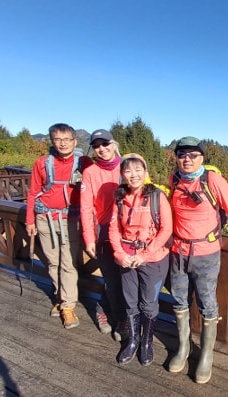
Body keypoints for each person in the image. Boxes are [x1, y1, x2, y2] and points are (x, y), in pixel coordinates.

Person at [167, 136, 228, 384]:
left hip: (207, 253)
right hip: (178, 250)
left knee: (207, 303)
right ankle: (184, 348)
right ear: (176, 157)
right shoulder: (174, 178)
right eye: (182, 154)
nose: (187, 159)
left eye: (192, 155)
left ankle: (206, 355)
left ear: (202, 157)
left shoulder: (212, 180)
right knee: (179, 300)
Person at [108, 153, 172, 366]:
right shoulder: (119, 197)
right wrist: (119, 254)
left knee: (148, 303)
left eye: (138, 170)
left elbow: (166, 229)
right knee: (130, 301)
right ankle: (133, 341)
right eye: (128, 170)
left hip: (153, 258)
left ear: (146, 173)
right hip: (126, 257)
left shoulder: (156, 196)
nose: (133, 175)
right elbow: (114, 228)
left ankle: (147, 343)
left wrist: (143, 255)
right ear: (122, 174)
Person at [26, 123, 90, 329]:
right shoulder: (42, 163)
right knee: (52, 263)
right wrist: (29, 220)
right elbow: (33, 192)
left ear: (74, 141)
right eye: (58, 139)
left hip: (70, 220)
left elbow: (102, 177)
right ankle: (61, 298)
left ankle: (68, 306)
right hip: (45, 218)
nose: (62, 143)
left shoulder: (84, 162)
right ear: (52, 141)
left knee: (68, 265)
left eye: (66, 139)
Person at [80, 129, 127, 340]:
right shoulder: (90, 172)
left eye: (105, 144)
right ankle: (120, 321)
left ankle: (101, 307)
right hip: (104, 231)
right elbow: (85, 206)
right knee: (112, 277)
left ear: (114, 144)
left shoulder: (127, 166)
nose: (101, 149)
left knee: (125, 278)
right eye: (97, 146)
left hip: (129, 231)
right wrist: (89, 238)